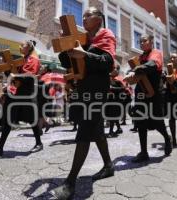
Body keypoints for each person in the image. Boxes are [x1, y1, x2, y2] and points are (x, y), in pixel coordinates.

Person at [51, 7, 116, 199]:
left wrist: (85, 55)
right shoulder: (84, 39)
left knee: (85, 131)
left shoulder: (106, 35)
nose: (84, 18)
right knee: (95, 130)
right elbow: (67, 62)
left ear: (99, 19)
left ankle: (70, 183)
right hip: (83, 88)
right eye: (84, 15)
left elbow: (107, 62)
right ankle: (108, 165)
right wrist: (66, 45)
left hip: (97, 90)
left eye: (89, 15)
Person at [0, 40, 44, 156]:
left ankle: (39, 143)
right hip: (18, 93)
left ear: (29, 47)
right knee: (8, 120)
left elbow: (30, 76)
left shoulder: (33, 59)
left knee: (32, 120)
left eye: (23, 45)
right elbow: (13, 76)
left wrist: (16, 75)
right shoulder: (22, 60)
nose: (20, 47)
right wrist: (7, 68)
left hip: (28, 94)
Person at [124, 34, 172, 163]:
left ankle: (167, 139)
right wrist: (129, 74)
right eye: (140, 41)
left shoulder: (156, 53)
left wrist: (137, 69)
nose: (141, 43)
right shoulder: (140, 57)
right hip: (141, 93)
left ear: (151, 42)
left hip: (155, 93)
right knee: (140, 122)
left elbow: (152, 64)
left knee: (157, 122)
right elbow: (131, 70)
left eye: (144, 41)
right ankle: (143, 152)